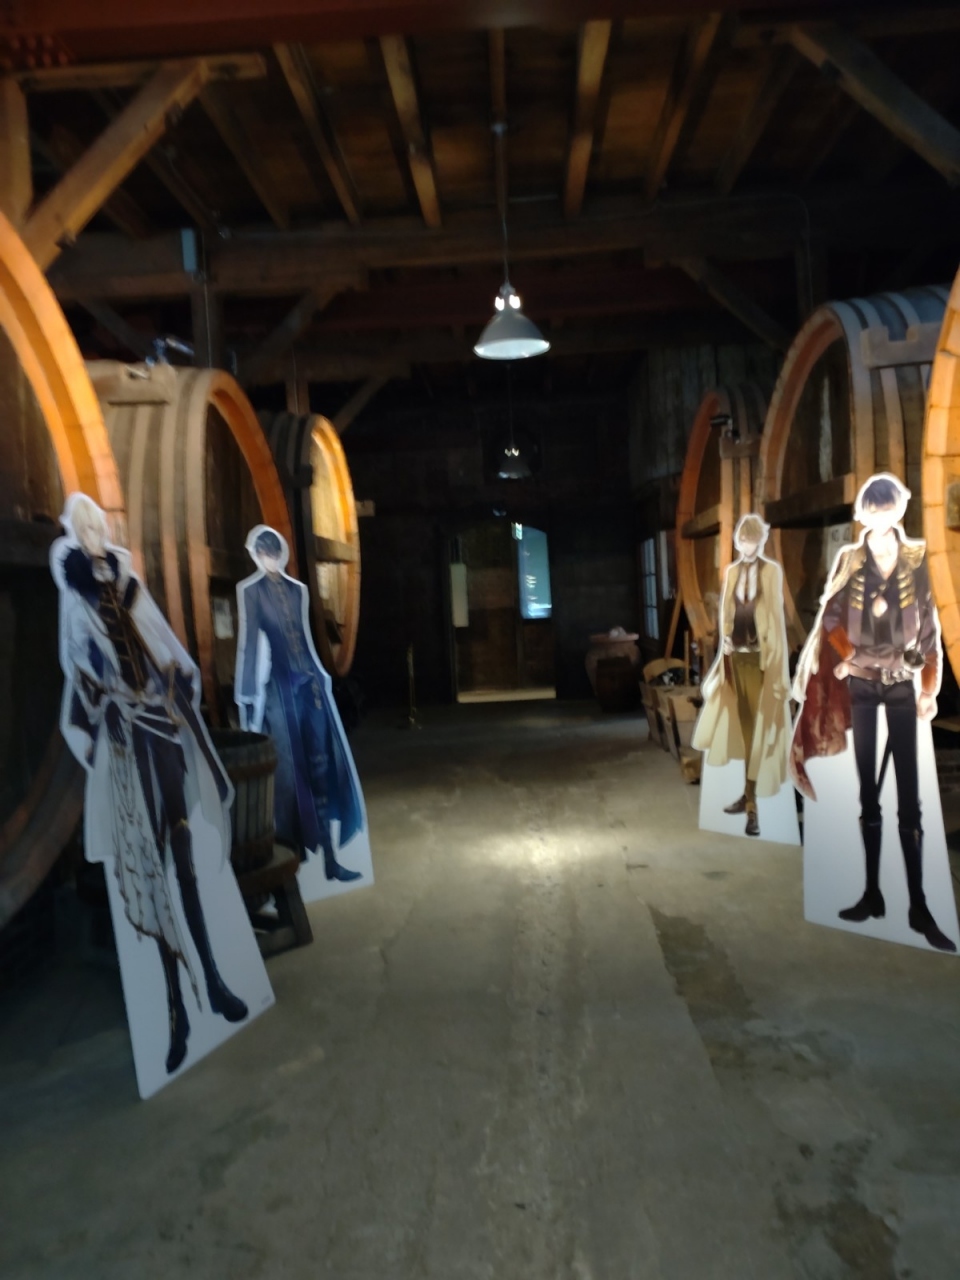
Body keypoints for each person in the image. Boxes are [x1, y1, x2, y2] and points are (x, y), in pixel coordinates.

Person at [52, 494, 248, 1076]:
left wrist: (175, 681)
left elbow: (165, 647)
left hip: (160, 729)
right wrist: (104, 705)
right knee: (150, 867)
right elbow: (80, 671)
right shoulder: (76, 601)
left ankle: (214, 981)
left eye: (98, 525)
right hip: (123, 741)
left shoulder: (131, 586)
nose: (94, 534)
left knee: (183, 857)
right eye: (83, 527)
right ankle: (174, 1009)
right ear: (75, 535)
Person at [791, 473, 955, 953]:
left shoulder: (917, 560)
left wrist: (929, 688)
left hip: (903, 687)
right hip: (862, 687)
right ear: (863, 514)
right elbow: (831, 618)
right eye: (873, 509)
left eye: (888, 508)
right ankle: (872, 894)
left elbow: (930, 632)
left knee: (909, 800)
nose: (880, 517)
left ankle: (919, 905)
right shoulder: (850, 560)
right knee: (868, 795)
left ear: (899, 510)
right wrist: (846, 656)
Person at [235, 526, 364, 881]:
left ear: (280, 554)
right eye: (263, 554)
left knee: (322, 767)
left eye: (273, 553)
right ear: (257, 556)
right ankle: (293, 860)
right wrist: (246, 698)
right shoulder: (253, 592)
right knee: (291, 774)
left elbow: (305, 640)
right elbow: (249, 644)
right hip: (279, 692)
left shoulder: (297, 590)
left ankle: (331, 860)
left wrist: (320, 676)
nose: (269, 560)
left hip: (310, 688)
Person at [692, 513, 791, 837]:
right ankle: (749, 797)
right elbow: (726, 611)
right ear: (738, 541)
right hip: (736, 659)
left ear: (761, 541)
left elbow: (775, 617)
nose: (749, 545)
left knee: (758, 732)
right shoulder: (732, 572)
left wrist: (777, 665)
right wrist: (724, 640)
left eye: (753, 540)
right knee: (746, 730)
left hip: (762, 660)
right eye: (744, 540)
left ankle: (752, 805)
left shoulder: (771, 571)